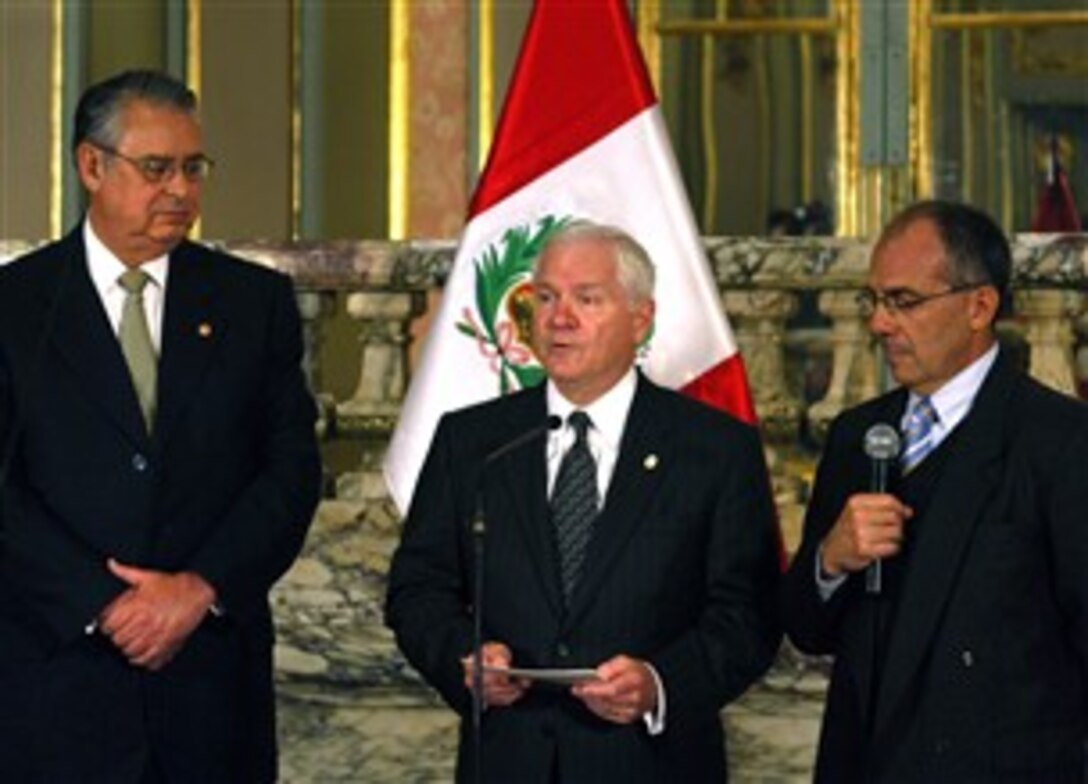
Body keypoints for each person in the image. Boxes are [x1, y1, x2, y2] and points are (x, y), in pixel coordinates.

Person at [0, 69, 321, 782]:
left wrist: (198, 589)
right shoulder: (15, 307)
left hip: (209, 688)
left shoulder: (252, 303)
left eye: (193, 168)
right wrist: (105, 603)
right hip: (54, 685)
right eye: (157, 168)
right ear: (92, 165)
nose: (180, 190)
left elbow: (291, 471)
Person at [386, 220, 781, 783]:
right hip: (507, 761)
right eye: (544, 297)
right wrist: (464, 660)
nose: (558, 318)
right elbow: (417, 588)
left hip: (650, 765)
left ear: (640, 319)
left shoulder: (714, 449)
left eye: (587, 299)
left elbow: (750, 616)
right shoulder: (472, 442)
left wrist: (659, 683)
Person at [783, 200, 1088, 781]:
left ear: (979, 306)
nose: (879, 324)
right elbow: (806, 627)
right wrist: (830, 560)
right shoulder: (856, 438)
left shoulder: (1061, 443)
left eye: (904, 302)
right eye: (873, 301)